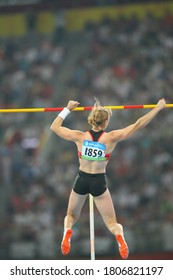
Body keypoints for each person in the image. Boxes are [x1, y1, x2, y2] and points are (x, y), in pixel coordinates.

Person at [50, 98, 166, 259]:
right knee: (112, 223)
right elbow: (138, 124)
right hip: (99, 182)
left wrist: (68, 108)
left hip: (81, 180)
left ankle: (67, 231)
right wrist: (158, 108)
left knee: (71, 216)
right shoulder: (111, 138)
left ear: (92, 120)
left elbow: (54, 127)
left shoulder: (80, 136)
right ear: (105, 122)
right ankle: (119, 236)